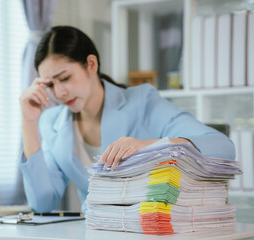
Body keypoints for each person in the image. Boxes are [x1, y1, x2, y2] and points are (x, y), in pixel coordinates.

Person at [19, 26, 235, 213]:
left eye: (64, 78)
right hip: (96, 229)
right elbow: (43, 203)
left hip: (150, 228)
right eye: (49, 85)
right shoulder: (52, 122)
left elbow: (223, 146)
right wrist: (29, 123)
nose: (59, 92)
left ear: (91, 65)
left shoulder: (142, 102)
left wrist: (152, 147)